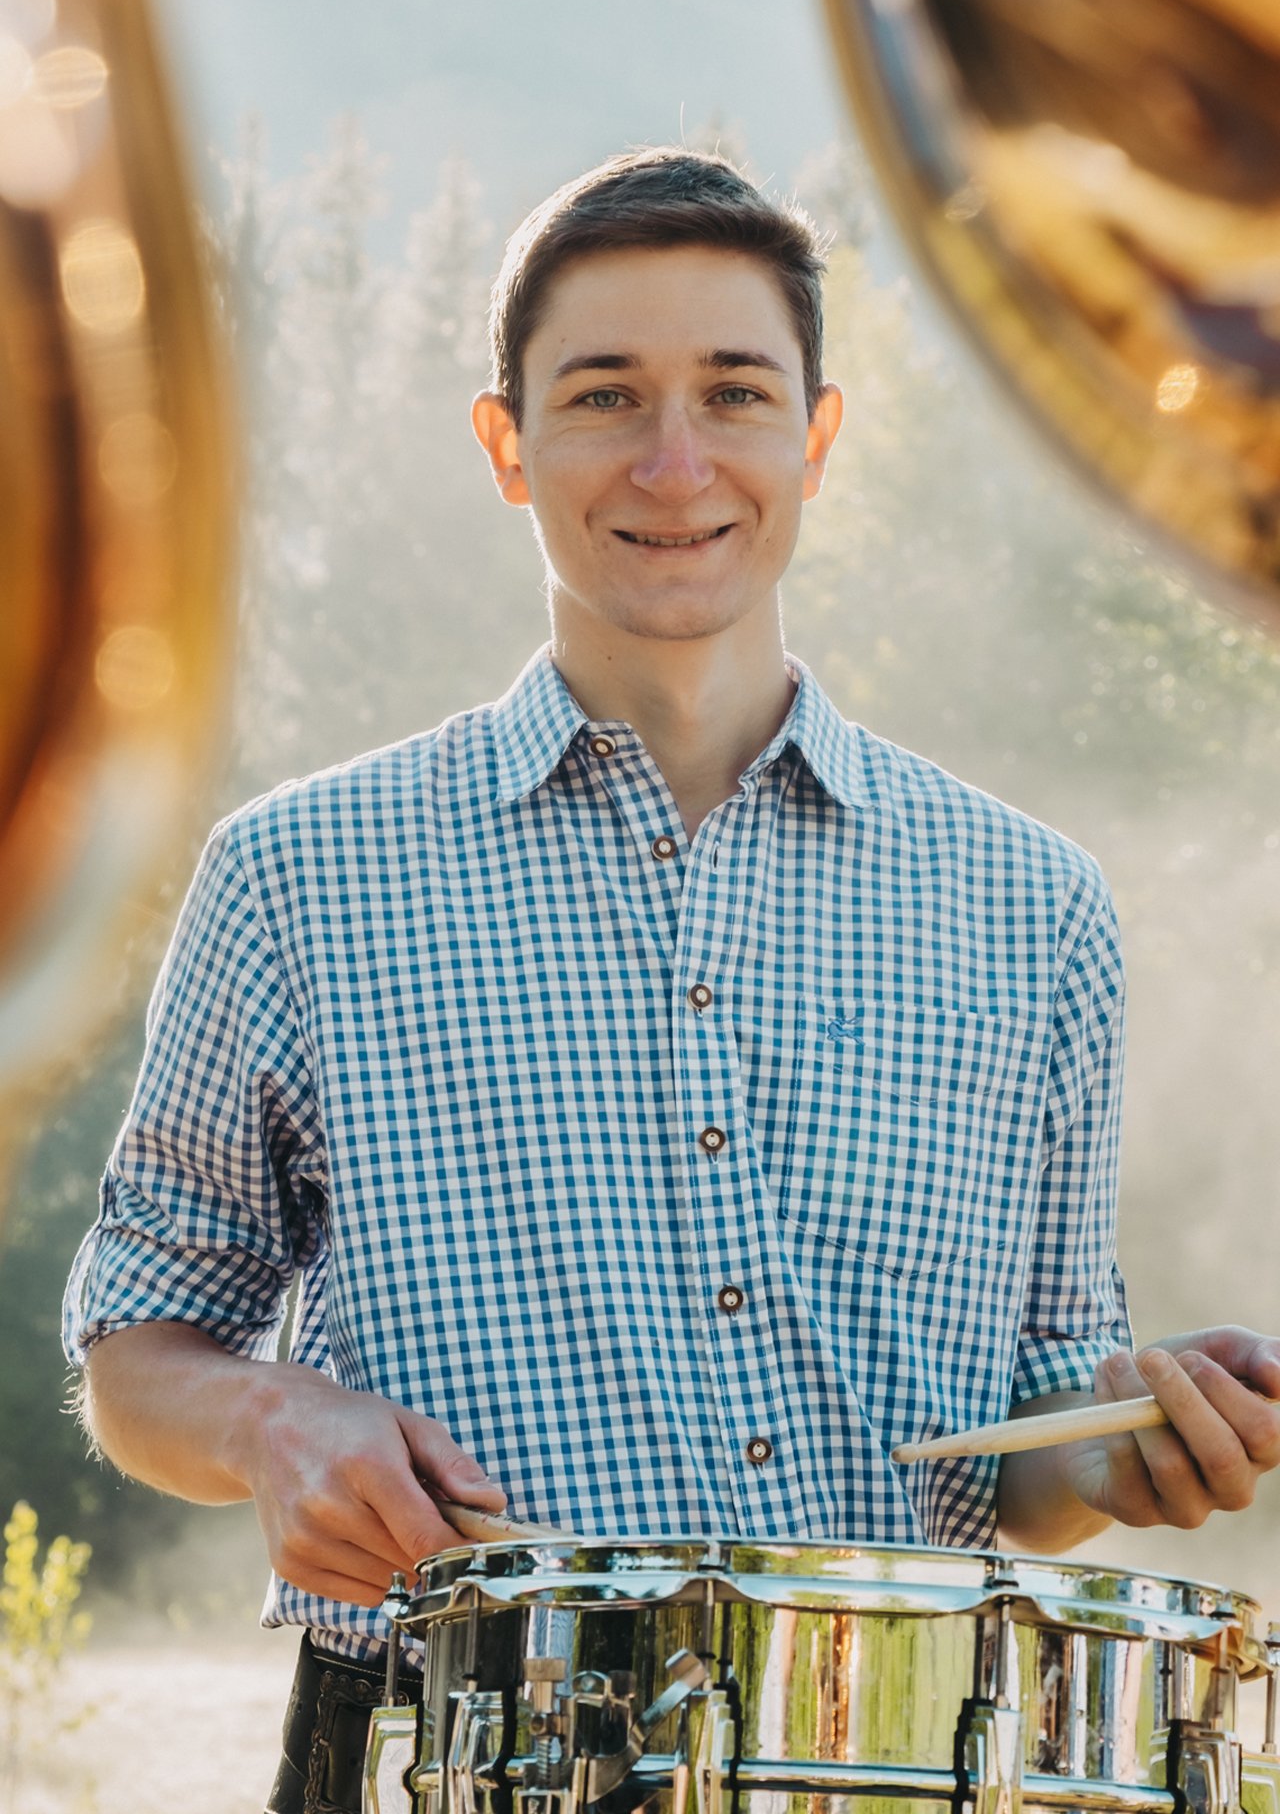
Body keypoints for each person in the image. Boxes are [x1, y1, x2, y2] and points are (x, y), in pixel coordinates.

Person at [63, 149, 1280, 1814]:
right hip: (437, 1749)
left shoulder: (1034, 908)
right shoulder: (296, 878)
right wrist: (271, 1419)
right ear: (507, 445)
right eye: (604, 395)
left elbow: (1040, 1436)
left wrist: (1128, 1441)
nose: (676, 460)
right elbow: (138, 1352)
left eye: (734, 392)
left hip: (903, 1759)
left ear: (818, 438)